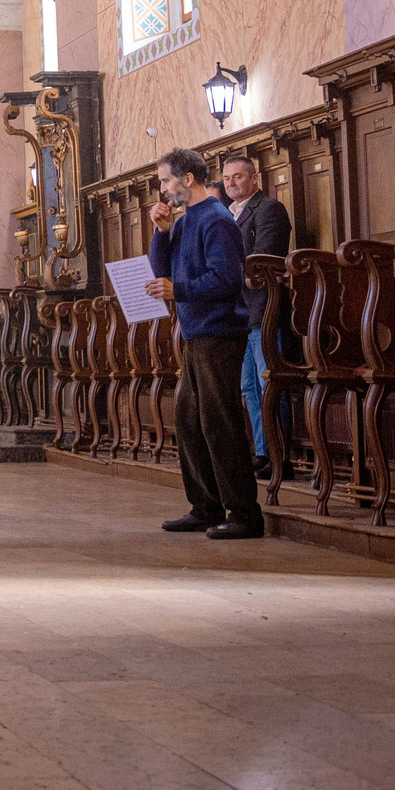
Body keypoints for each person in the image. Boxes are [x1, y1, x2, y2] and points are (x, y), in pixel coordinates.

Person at [148, 147, 264, 540]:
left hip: (220, 333)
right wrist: (161, 233)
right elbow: (161, 271)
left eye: (165, 180)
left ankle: (245, 513)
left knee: (221, 424)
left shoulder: (216, 220)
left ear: (188, 179)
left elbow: (227, 279)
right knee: (190, 422)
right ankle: (205, 506)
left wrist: (177, 289)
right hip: (196, 333)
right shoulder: (184, 222)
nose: (162, 189)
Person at [220, 154, 292, 471]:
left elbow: (262, 259)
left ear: (254, 178)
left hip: (264, 310)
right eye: (226, 178)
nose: (232, 182)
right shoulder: (229, 215)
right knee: (248, 388)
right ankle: (262, 452)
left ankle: (279, 457)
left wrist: (226, 273)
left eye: (237, 176)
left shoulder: (269, 209)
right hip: (240, 314)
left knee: (269, 384)